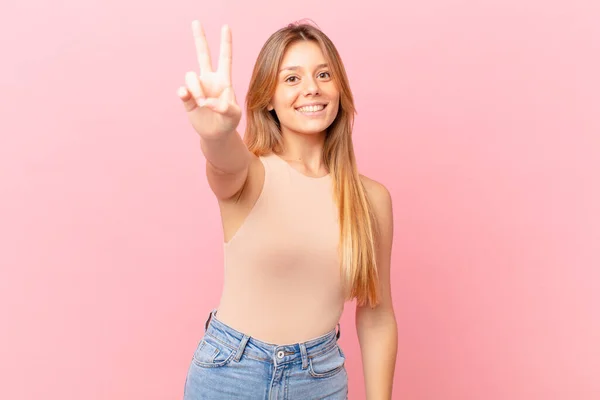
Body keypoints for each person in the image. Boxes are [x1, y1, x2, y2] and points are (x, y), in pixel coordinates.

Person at [177, 19, 398, 399]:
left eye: (323, 74)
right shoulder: (250, 173)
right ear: (268, 97)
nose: (312, 87)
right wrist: (216, 134)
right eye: (291, 78)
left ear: (340, 89)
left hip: (320, 379)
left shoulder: (371, 199)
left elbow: (377, 315)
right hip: (231, 375)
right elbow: (224, 162)